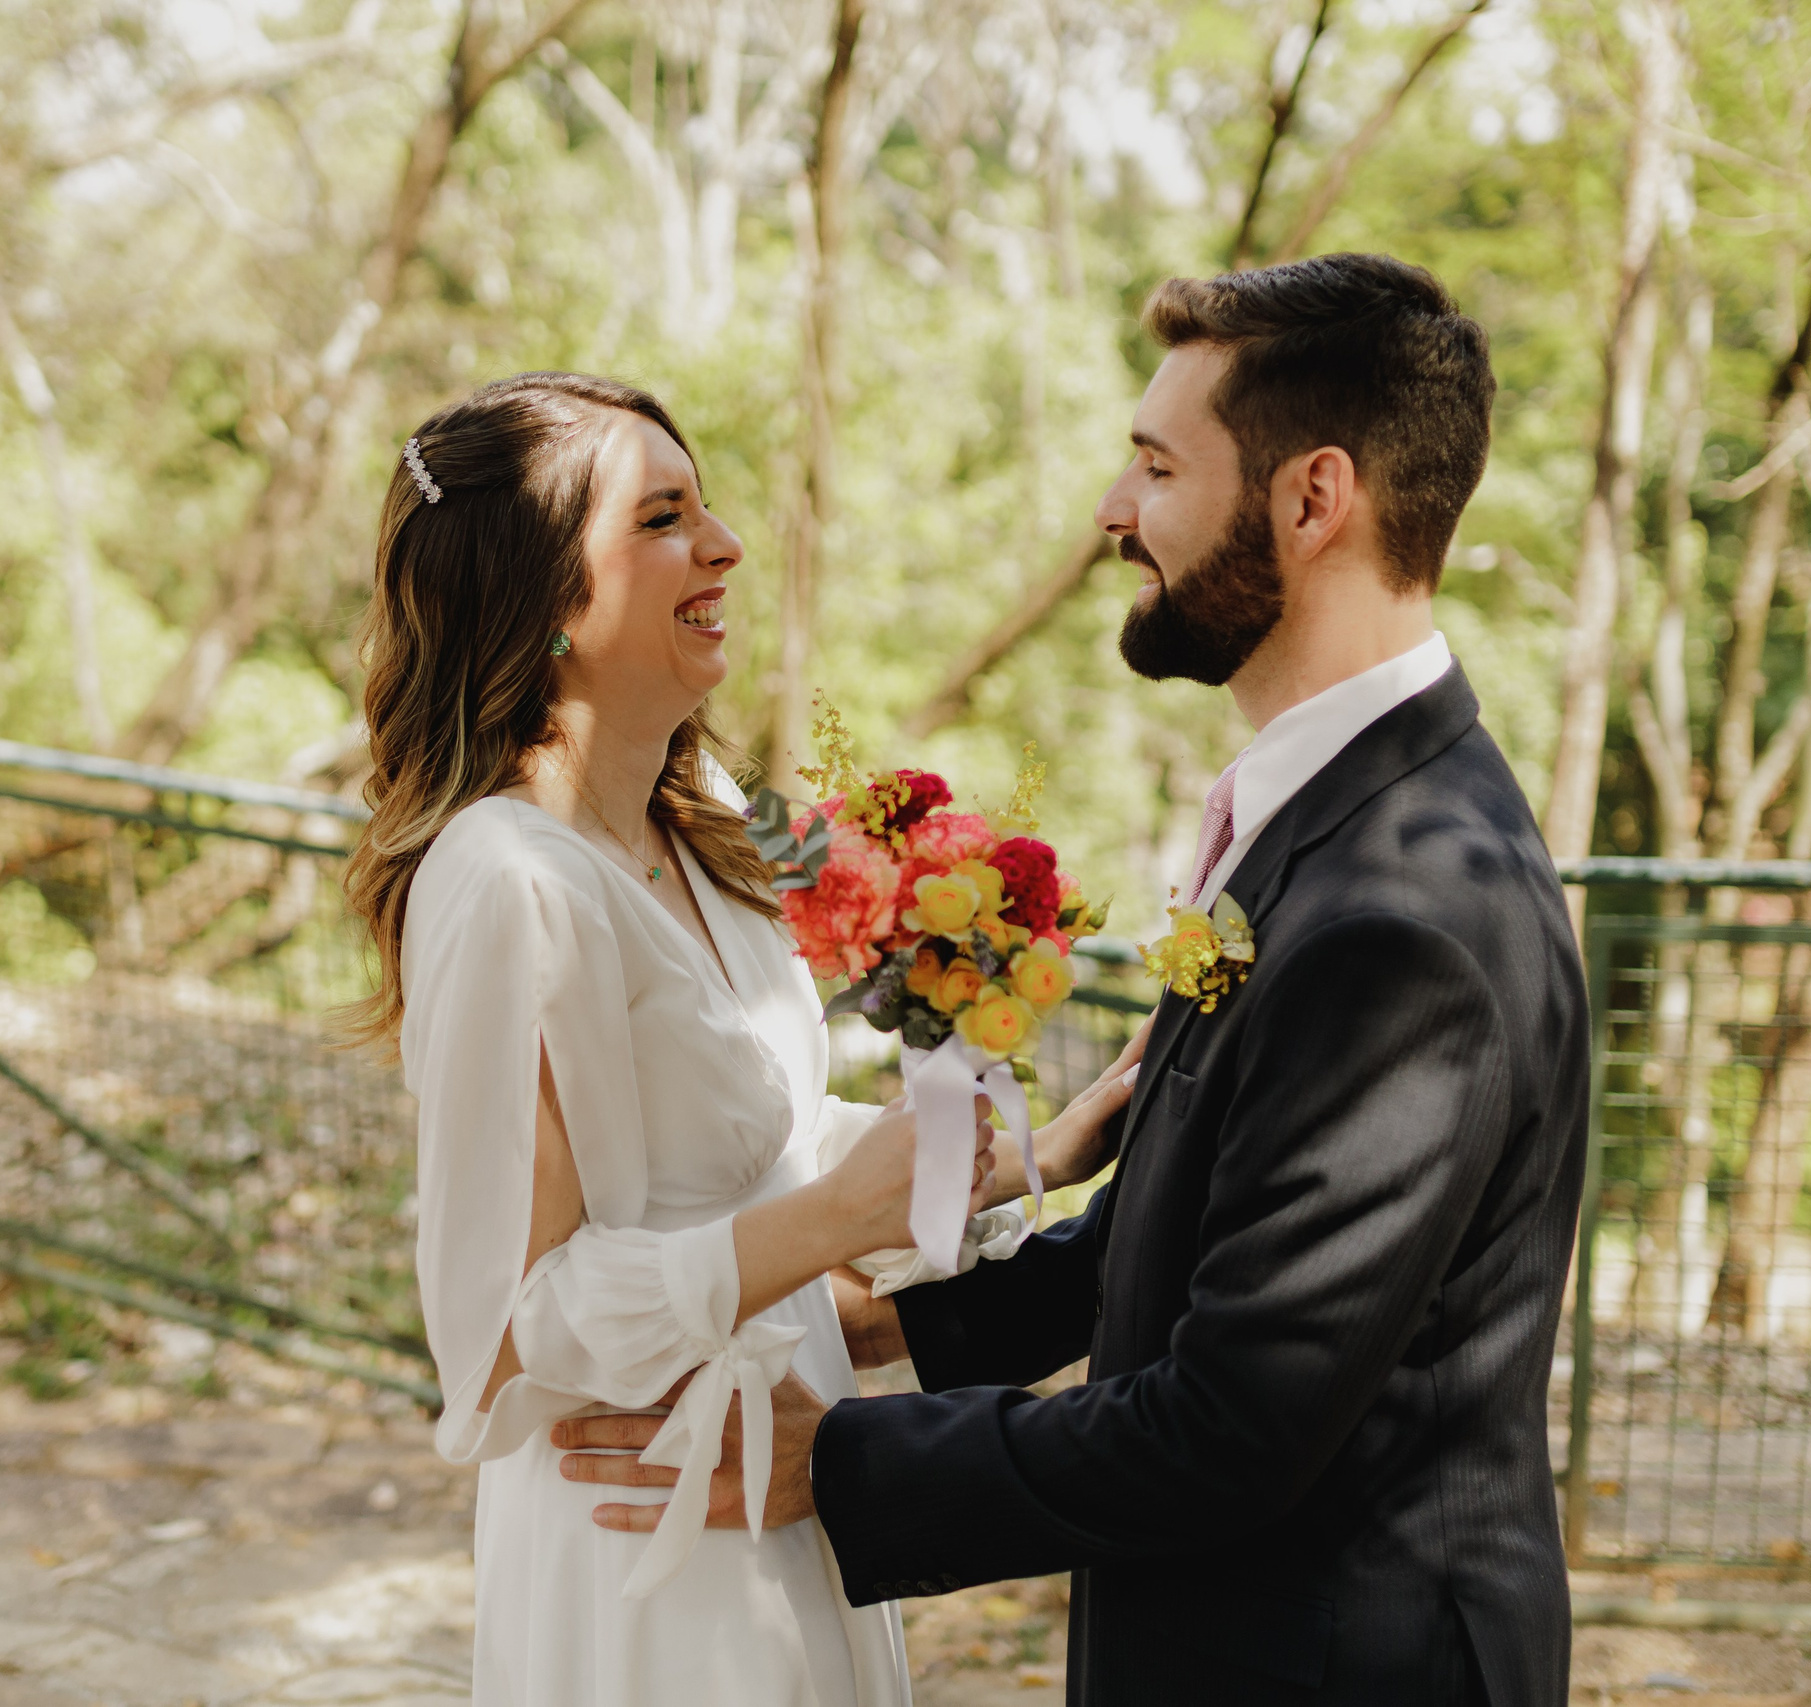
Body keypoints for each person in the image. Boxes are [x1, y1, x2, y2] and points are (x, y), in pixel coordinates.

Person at [558, 255, 1590, 1706]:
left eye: (1157, 468)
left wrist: (837, 1460)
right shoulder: (1327, 816)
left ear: (1313, 499)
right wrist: (888, 1325)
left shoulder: (1406, 912)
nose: (1115, 513)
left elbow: (1236, 1420)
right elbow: (1194, 1236)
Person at [342, 372, 1147, 1707]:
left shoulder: (704, 814)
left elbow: (755, 1147)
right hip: (644, 1542)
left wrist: (1025, 1163)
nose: (722, 546)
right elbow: (503, 1339)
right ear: (543, 593)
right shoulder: (508, 882)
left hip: (786, 1474)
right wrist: (836, 1215)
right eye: (663, 519)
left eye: (705, 506)